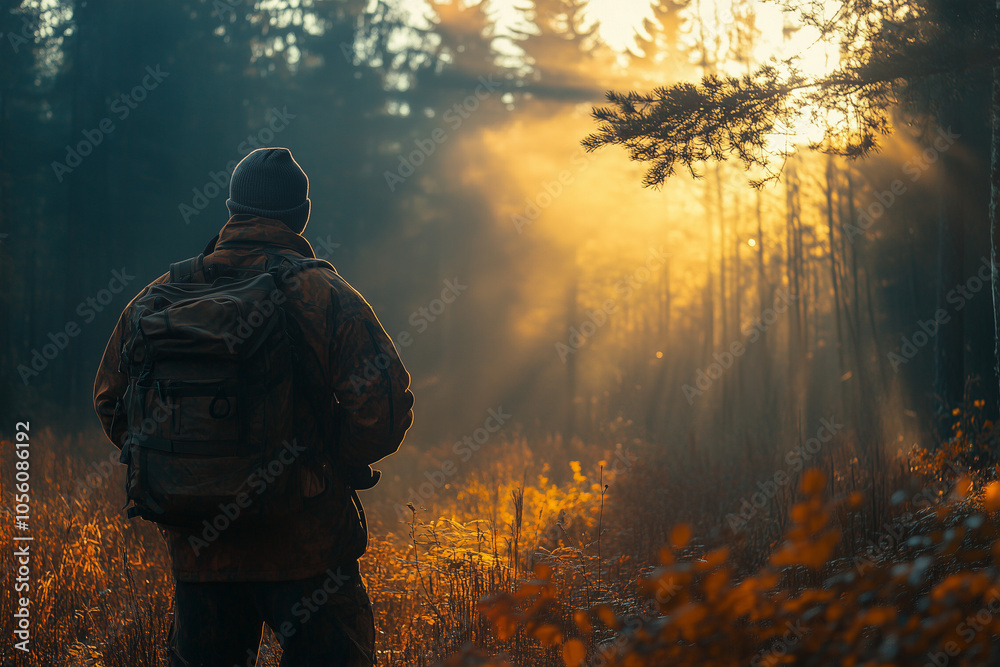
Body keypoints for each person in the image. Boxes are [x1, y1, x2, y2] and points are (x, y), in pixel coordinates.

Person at [93, 147, 414, 666]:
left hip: (202, 548)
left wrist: (189, 464)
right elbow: (382, 412)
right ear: (300, 216)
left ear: (232, 209)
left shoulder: (163, 295)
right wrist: (327, 460)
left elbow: (111, 402)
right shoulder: (324, 294)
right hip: (308, 549)